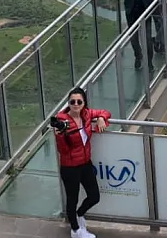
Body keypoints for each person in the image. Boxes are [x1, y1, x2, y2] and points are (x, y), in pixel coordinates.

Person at [53, 88, 112, 238]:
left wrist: (100, 118)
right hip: (70, 167)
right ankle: (75, 230)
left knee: (94, 196)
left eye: (79, 101)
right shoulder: (62, 120)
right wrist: (60, 136)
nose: (76, 104)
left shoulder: (86, 114)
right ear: (69, 103)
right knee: (72, 198)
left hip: (85, 163)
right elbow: (64, 150)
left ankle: (80, 215)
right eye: (72, 101)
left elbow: (106, 112)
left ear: (84, 103)